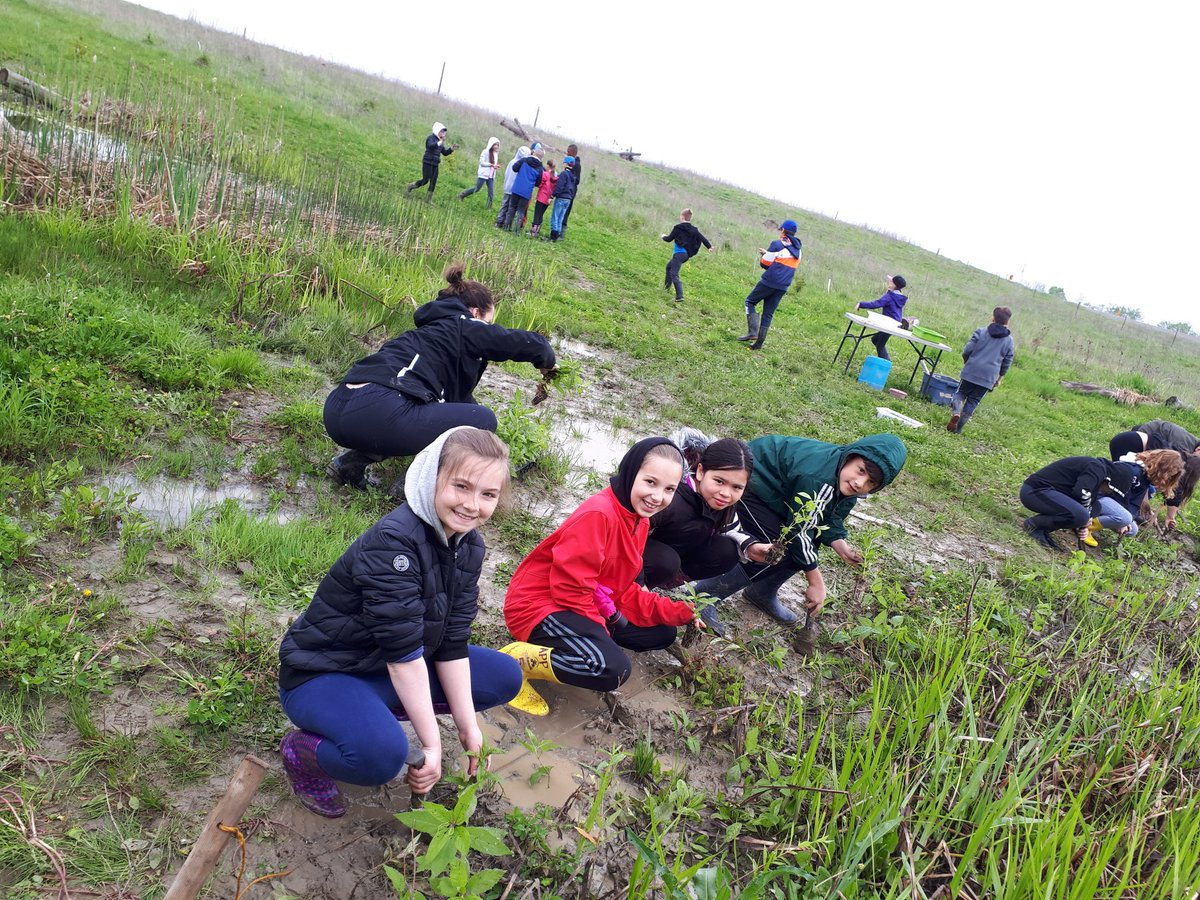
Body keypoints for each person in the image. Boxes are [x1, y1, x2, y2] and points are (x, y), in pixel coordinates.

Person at [277, 427, 523, 818]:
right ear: (431, 478)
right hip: (322, 674)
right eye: (461, 486)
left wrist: (467, 729)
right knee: (381, 757)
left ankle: (370, 716)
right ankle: (302, 752)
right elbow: (403, 659)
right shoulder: (394, 544)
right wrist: (432, 747)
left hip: (383, 667)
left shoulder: (468, 546)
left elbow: (452, 643)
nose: (472, 505)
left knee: (504, 675)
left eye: (488, 494)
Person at [501, 438, 704, 715]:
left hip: (590, 601)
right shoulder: (600, 514)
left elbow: (621, 590)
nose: (658, 496)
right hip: (541, 604)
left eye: (669, 489)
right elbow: (570, 590)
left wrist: (680, 612)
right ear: (631, 473)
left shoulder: (639, 520)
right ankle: (515, 663)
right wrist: (602, 631)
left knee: (662, 633)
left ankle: (577, 648)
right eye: (650, 482)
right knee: (612, 670)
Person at [324, 262, 556, 490]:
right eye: (489, 322)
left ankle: (349, 465)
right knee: (485, 420)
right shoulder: (465, 325)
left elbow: (455, 409)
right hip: (381, 408)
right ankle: (414, 489)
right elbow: (533, 345)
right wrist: (548, 363)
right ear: (475, 313)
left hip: (337, 409)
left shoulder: (426, 334)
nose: (489, 327)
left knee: (425, 413)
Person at [691, 434, 907, 633]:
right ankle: (707, 596)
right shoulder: (818, 477)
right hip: (751, 486)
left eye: (871, 482)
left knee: (804, 548)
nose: (860, 483)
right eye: (861, 470)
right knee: (777, 547)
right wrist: (815, 582)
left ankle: (762, 592)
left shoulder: (845, 483)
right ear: (850, 457)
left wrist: (840, 545)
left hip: (781, 497)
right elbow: (799, 531)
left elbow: (829, 518)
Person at [642, 438, 771, 591]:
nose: (726, 493)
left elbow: (730, 530)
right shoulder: (672, 496)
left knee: (727, 551)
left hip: (672, 555)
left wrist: (751, 547)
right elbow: (627, 530)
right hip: (639, 552)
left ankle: (660, 582)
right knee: (666, 561)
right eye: (719, 481)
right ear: (701, 471)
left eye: (737, 487)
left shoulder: (721, 502)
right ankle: (634, 587)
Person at [1019, 456, 1133, 550]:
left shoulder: (1099, 476)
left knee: (1094, 508)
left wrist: (1084, 526)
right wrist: (1084, 520)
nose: (1109, 492)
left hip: (1048, 493)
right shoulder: (1096, 468)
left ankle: (1043, 529)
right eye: (1112, 490)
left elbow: (1092, 504)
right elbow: (1081, 493)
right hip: (1035, 491)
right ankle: (1034, 525)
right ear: (1111, 482)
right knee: (1081, 515)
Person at [1087, 449, 1183, 541]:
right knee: (1125, 518)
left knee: (1132, 530)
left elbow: (1134, 504)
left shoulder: (1145, 479)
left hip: (1113, 501)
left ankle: (1096, 520)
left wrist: (1126, 522)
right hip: (1100, 496)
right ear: (1161, 466)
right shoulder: (1133, 470)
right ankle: (1086, 526)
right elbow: (1116, 494)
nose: (1166, 478)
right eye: (1168, 473)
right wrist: (1125, 520)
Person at [947, 306, 1016, 433]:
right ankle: (958, 429)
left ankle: (956, 411)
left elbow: (967, 351)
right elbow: (1007, 362)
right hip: (988, 377)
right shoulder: (1009, 341)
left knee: (961, 393)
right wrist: (999, 378)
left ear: (993, 318)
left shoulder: (981, 331)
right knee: (973, 401)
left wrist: (969, 363)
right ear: (1007, 322)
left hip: (971, 370)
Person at [738, 220, 802, 351]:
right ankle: (758, 344)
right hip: (783, 286)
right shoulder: (798, 251)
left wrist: (765, 255)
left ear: (783, 230)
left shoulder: (777, 244)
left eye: (780, 230)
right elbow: (783, 262)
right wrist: (769, 254)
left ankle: (752, 332)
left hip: (768, 282)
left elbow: (765, 264)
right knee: (768, 314)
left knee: (749, 302)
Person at [661, 209, 713, 303]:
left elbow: (669, 239)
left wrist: (663, 236)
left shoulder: (678, 228)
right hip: (686, 255)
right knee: (669, 267)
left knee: (674, 273)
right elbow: (702, 238)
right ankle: (666, 289)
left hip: (679, 254)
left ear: (682, 217)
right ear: (689, 218)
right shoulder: (694, 230)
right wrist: (709, 246)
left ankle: (680, 296)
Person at [855, 275, 908, 361]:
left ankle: (886, 363)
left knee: (880, 345)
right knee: (875, 339)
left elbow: (876, 304)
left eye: (891, 281)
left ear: (894, 285)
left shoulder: (890, 296)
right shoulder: (899, 296)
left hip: (889, 324)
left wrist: (861, 304)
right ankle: (885, 361)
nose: (889, 282)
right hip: (895, 323)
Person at [406, 122, 456, 198]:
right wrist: (440, 142)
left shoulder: (440, 142)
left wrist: (451, 149)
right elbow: (429, 146)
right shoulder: (431, 138)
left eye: (443, 132)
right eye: (441, 131)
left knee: (433, 182)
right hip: (427, 162)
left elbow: (444, 153)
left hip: (435, 164)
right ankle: (411, 186)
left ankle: (428, 199)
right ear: (437, 131)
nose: (443, 133)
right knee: (425, 180)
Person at [501, 146, 544, 234]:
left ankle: (506, 226)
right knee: (521, 211)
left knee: (512, 207)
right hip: (526, 192)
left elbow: (514, 168)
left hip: (516, 188)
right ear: (541, 157)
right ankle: (516, 230)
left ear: (533, 152)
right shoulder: (540, 168)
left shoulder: (524, 160)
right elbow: (538, 182)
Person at [458, 137, 501, 207]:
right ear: (491, 144)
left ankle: (488, 207)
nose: (496, 146)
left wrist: (495, 166)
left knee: (491, 192)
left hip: (491, 176)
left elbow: (493, 165)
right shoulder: (485, 151)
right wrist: (491, 165)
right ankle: (462, 195)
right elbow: (481, 162)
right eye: (495, 144)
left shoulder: (496, 154)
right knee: (476, 189)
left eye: (497, 145)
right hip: (483, 174)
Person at [494, 145, 530, 228]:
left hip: (508, 186)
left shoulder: (512, 161)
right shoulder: (521, 164)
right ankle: (503, 223)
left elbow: (506, 174)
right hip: (514, 189)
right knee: (510, 207)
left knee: (505, 205)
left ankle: (500, 221)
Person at [548, 155, 577, 241]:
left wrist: (552, 196)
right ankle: (557, 234)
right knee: (561, 218)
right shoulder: (573, 176)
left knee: (555, 217)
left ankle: (553, 236)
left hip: (561, 198)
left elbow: (559, 187)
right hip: (568, 199)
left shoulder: (564, 174)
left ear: (566, 164)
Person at [529, 159, 557, 237]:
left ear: (548, 165)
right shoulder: (555, 176)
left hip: (541, 197)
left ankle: (533, 231)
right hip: (547, 199)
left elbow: (540, 184)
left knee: (536, 214)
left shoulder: (545, 174)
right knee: (541, 214)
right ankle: (537, 230)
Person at [558, 143, 581, 237]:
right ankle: (558, 231)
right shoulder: (571, 162)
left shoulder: (576, 165)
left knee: (565, 212)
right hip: (567, 191)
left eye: (568, 152)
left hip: (570, 192)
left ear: (573, 152)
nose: (567, 153)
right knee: (561, 212)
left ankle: (561, 233)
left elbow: (577, 180)